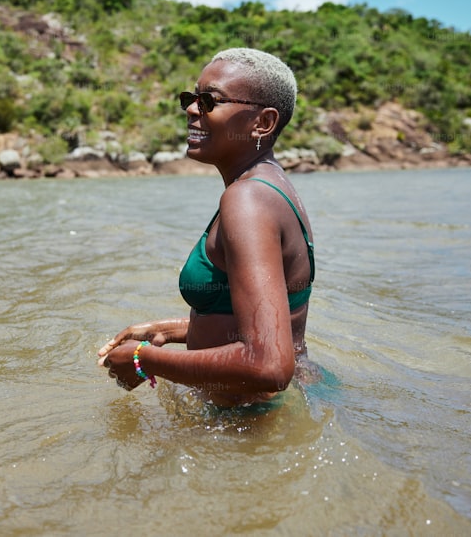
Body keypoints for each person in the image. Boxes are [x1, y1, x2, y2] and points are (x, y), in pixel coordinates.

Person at [98, 48, 315, 408]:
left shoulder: (248, 201)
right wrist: (168, 331)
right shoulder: (270, 187)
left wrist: (142, 360)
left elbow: (269, 365)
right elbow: (253, 322)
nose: (191, 109)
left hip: (249, 427)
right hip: (269, 413)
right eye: (191, 98)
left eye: (209, 101)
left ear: (263, 122)